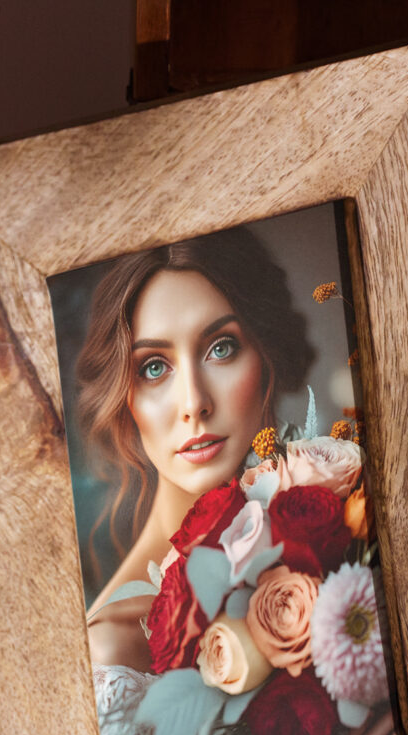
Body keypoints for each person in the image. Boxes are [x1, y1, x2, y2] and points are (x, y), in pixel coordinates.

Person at [74, 227, 315, 671]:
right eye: (153, 367)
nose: (193, 403)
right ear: (123, 400)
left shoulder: (332, 535)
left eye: (221, 348)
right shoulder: (113, 648)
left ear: (267, 357)